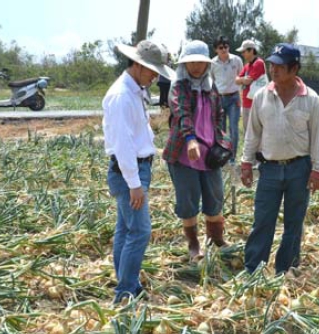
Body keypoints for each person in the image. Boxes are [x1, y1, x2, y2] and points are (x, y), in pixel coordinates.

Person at [240, 43, 319, 275]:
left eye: (279, 66)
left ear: (294, 68)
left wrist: (318, 170)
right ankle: (253, 269)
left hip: (300, 168)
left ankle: (285, 270)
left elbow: (318, 137)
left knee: (294, 223)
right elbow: (253, 133)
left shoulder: (311, 99)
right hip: (269, 169)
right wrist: (246, 163)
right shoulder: (261, 96)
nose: (273, 70)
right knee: (263, 221)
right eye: (271, 65)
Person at [103, 40, 175, 304]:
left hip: (135, 168)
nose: (155, 76)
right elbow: (122, 144)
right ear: (136, 64)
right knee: (141, 231)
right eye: (152, 70)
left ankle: (128, 284)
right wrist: (134, 183)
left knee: (125, 229)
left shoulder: (135, 89)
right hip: (128, 172)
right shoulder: (122, 96)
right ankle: (125, 291)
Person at [162, 40, 232, 261]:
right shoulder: (179, 86)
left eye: (199, 63)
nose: (195, 67)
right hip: (184, 154)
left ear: (206, 64)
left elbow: (219, 113)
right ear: (184, 64)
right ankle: (193, 244)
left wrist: (221, 140)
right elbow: (181, 112)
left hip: (209, 154)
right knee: (188, 200)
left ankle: (216, 238)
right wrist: (191, 139)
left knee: (215, 196)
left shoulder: (210, 86)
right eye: (191, 62)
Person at [211, 36, 243, 163]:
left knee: (234, 128)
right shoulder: (212, 63)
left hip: (234, 97)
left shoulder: (236, 60)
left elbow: (241, 76)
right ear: (216, 50)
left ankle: (233, 157)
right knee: (221, 129)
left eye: (226, 46)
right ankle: (223, 154)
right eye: (220, 47)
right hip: (219, 99)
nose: (224, 49)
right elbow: (211, 80)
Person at [235, 39, 266, 135]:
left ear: (251, 50)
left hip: (256, 104)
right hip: (246, 103)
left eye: (244, 52)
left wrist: (242, 79)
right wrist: (243, 79)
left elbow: (248, 81)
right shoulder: (247, 65)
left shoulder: (259, 63)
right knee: (247, 132)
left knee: (256, 133)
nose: (242, 54)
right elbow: (236, 80)